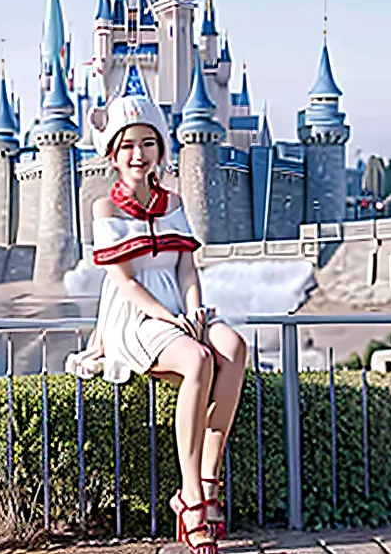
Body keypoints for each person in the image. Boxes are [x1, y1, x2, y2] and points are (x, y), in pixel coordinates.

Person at [65, 79, 247, 554]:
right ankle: (189, 498)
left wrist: (192, 311)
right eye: (127, 145)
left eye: (147, 143)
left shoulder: (176, 204)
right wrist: (169, 319)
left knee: (232, 347)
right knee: (198, 362)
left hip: (177, 308)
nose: (138, 154)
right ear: (112, 154)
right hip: (135, 315)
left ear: (162, 148)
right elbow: (125, 282)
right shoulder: (105, 206)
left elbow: (188, 265)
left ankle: (208, 479)